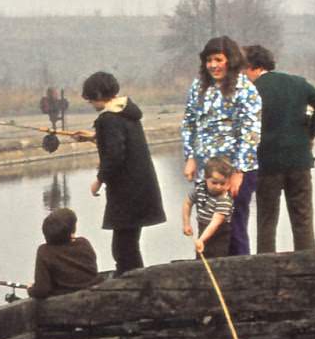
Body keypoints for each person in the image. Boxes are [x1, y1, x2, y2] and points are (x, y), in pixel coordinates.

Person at [74, 71, 166, 274]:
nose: (91, 104)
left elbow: (115, 155)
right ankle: (137, 281)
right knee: (130, 243)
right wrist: (93, 137)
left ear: (97, 94)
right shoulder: (125, 111)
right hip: (141, 187)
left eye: (91, 99)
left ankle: (133, 284)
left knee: (122, 248)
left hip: (127, 192)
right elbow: (121, 140)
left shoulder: (109, 118)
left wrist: (99, 179)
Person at [243, 44, 315, 253]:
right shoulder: (296, 83)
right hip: (299, 162)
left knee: (266, 221)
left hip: (267, 165)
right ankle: (309, 268)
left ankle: (266, 268)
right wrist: (309, 134)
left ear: (251, 66)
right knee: (303, 219)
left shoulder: (250, 91)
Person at [180, 36, 262, 255]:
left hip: (234, 170)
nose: (213, 65)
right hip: (206, 169)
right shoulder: (199, 86)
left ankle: (241, 278)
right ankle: (208, 278)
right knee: (207, 227)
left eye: (218, 59)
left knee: (233, 226)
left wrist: (239, 172)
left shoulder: (245, 90)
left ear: (230, 60)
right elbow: (189, 122)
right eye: (209, 60)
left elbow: (250, 132)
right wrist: (190, 157)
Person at [27, 207, 101, 299]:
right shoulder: (84, 243)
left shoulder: (44, 252)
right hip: (91, 294)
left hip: (64, 299)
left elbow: (42, 290)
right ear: (71, 231)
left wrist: (30, 289)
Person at [183, 156, 235, 258]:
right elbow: (187, 203)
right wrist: (186, 224)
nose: (218, 187)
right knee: (201, 257)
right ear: (206, 179)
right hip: (202, 227)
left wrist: (201, 240)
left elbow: (214, 224)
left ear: (228, 182)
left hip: (219, 234)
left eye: (223, 183)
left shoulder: (224, 200)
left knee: (217, 259)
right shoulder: (200, 189)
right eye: (214, 182)